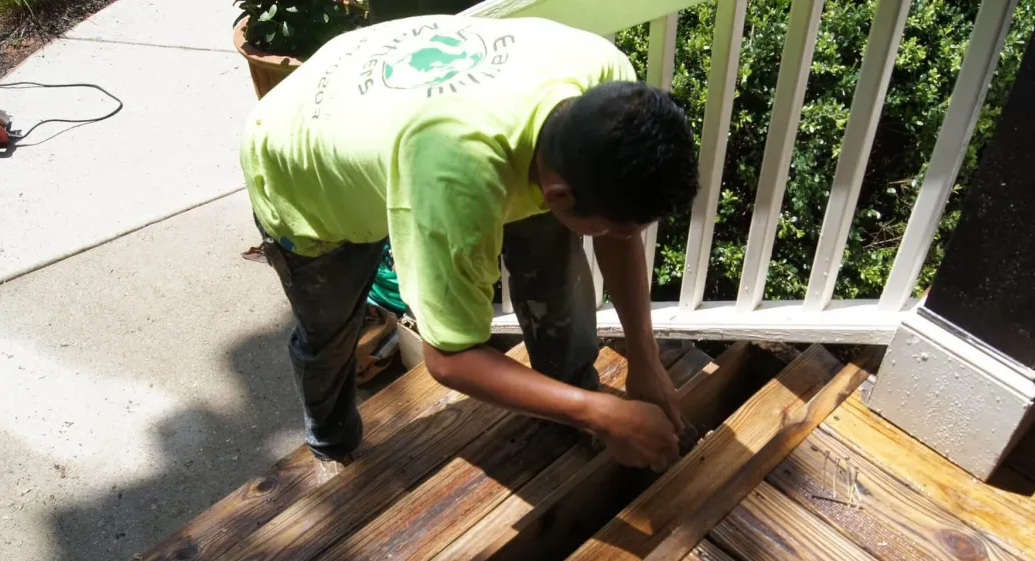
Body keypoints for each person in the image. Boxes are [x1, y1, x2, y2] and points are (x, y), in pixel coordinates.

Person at [240, 13, 700, 480]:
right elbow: (450, 357)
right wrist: (601, 413)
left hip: (392, 123)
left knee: (554, 267)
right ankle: (332, 445)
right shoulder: (457, 179)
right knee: (330, 333)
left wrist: (645, 359)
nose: (622, 240)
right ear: (557, 195)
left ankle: (568, 396)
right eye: (608, 228)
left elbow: (619, 238)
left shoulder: (605, 83)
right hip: (303, 168)